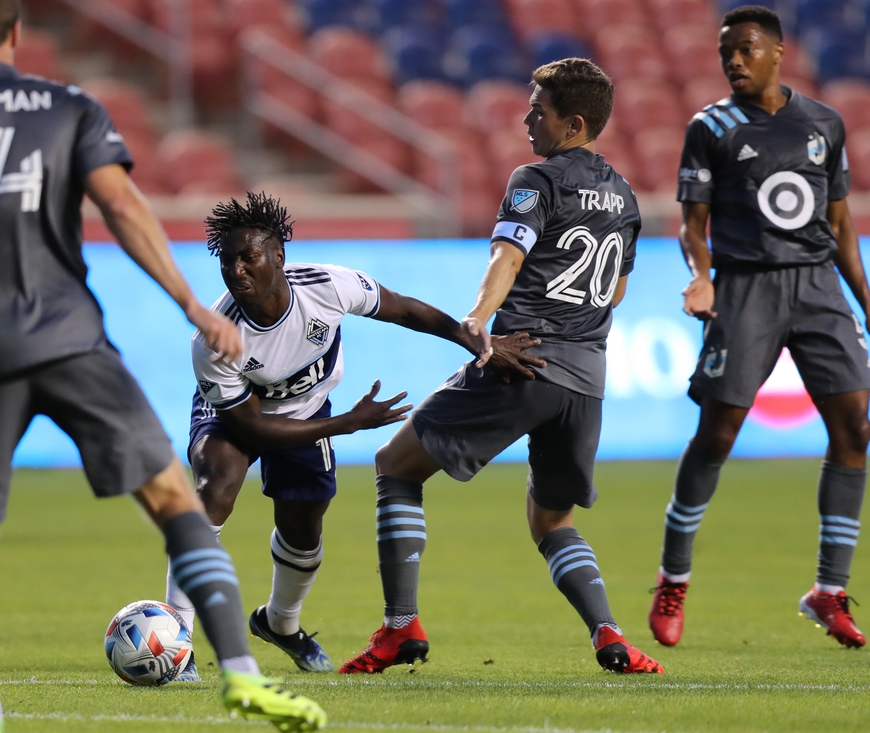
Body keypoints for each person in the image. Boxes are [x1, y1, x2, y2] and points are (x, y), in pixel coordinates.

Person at [0, 2, 326, 732]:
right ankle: (241, 674)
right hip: (71, 340)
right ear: (17, 33)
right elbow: (122, 207)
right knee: (179, 499)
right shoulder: (65, 107)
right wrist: (191, 305)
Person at [340, 57, 664, 676]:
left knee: (395, 466)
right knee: (551, 518)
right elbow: (615, 292)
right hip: (586, 381)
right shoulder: (624, 195)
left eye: (537, 109)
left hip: (524, 361)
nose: (524, 119)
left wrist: (478, 318)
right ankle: (609, 635)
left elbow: (507, 257)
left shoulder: (535, 179)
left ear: (572, 123)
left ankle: (399, 628)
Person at [166, 191, 542, 672]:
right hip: (241, 415)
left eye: (248, 257)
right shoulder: (214, 339)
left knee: (303, 531)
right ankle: (177, 637)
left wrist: (473, 341)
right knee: (214, 483)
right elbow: (251, 427)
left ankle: (280, 623)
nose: (237, 270)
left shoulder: (327, 286)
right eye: (227, 261)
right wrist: (348, 423)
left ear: (278, 255)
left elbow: (404, 310)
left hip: (306, 410)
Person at [649, 5, 870, 650]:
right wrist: (701, 274)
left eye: (745, 49)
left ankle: (828, 591)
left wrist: (863, 299)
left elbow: (840, 224)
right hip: (746, 288)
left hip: (817, 287)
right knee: (717, 434)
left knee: (855, 432)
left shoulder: (823, 124)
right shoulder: (710, 127)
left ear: (777, 52)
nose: (734, 61)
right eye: (727, 53)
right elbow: (693, 222)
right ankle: (674, 578)